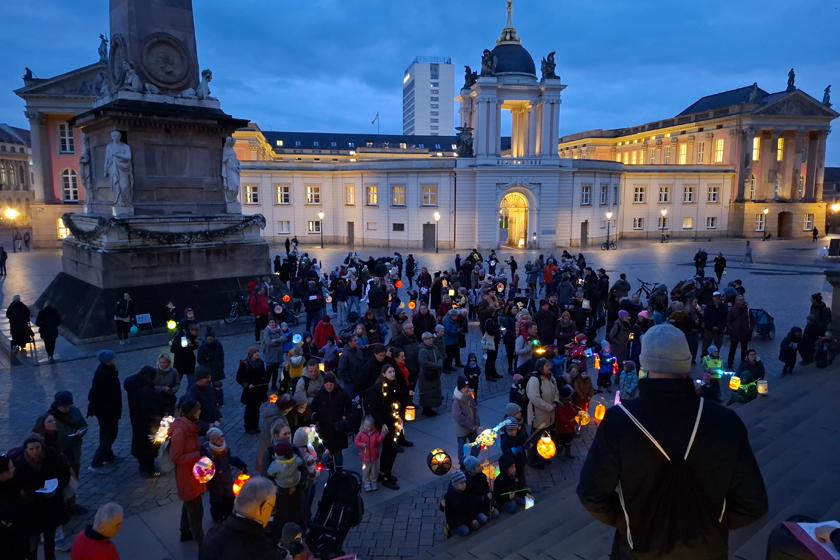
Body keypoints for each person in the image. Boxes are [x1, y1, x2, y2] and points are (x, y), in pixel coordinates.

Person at [577, 323, 768, 558]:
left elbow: (590, 493)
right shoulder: (726, 421)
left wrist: (627, 520)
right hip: (706, 550)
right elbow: (753, 504)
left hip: (639, 550)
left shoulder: (619, 422)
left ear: (644, 364)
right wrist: (712, 524)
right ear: (686, 363)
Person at [12, 433, 71, 560]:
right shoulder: (20, 464)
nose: (35, 452)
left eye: (37, 448)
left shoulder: (52, 456)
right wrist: (30, 493)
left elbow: (64, 473)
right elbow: (17, 488)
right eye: (31, 449)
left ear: (42, 447)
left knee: (50, 540)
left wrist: (58, 486)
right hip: (31, 510)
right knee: (32, 543)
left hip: (51, 506)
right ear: (26, 450)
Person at [200, 476, 279, 560]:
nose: (271, 514)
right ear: (264, 508)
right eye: (272, 508)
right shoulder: (261, 550)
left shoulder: (212, 534)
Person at [170, 396, 206, 545]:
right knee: (196, 512)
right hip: (187, 476)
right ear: (192, 412)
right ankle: (202, 546)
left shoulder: (190, 426)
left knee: (189, 504)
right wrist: (198, 454)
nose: (200, 412)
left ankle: (185, 531)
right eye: (198, 410)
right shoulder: (181, 431)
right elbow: (176, 457)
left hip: (192, 474)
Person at [363, 365, 402, 490]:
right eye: (390, 372)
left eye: (393, 371)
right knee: (390, 449)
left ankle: (385, 472)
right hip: (384, 424)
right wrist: (382, 424)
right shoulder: (379, 388)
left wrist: (398, 417)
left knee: (390, 449)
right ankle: (385, 475)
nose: (392, 373)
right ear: (384, 374)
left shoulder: (392, 385)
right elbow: (374, 409)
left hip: (392, 422)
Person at [123, 366, 162, 478]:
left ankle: (143, 467)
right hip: (149, 423)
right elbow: (154, 409)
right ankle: (150, 470)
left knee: (141, 443)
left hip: (137, 420)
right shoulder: (147, 391)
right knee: (149, 447)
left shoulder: (133, 386)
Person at [87, 350, 122, 472]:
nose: (115, 360)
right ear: (108, 361)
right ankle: (96, 462)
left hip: (108, 409)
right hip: (106, 411)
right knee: (109, 435)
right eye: (113, 359)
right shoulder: (103, 374)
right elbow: (97, 394)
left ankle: (108, 456)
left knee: (108, 434)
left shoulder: (108, 370)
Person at [202, 427, 247, 523]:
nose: (222, 439)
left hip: (227, 480)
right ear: (213, 440)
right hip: (216, 484)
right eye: (218, 438)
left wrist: (240, 464)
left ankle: (228, 516)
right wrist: (216, 470)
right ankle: (218, 519)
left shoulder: (225, 449)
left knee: (229, 499)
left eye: (222, 436)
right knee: (217, 502)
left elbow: (229, 459)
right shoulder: (209, 453)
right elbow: (206, 470)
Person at [310, 372, 352, 467]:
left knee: (337, 452)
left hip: (337, 428)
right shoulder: (320, 394)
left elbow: (349, 406)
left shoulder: (341, 393)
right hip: (324, 429)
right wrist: (315, 417)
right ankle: (331, 472)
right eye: (327, 385)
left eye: (331, 385)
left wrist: (345, 416)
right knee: (327, 452)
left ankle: (339, 472)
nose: (329, 387)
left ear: (334, 384)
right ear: (324, 384)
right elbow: (313, 407)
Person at [526, 358, 559, 467]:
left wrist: (555, 402)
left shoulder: (551, 377)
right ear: (541, 368)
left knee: (546, 438)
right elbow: (534, 398)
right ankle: (533, 460)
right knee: (536, 440)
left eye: (550, 365)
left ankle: (544, 456)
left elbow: (556, 391)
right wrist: (549, 407)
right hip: (538, 417)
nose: (550, 367)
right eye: (547, 366)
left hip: (549, 416)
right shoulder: (534, 380)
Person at [0, 455, 30, 559]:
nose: (14, 469)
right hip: (7, 537)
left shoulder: (12, 482)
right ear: (3, 473)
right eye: (11, 467)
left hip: (18, 533)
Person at [441, 470, 485, 537]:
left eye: (465, 482)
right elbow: (444, 509)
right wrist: (442, 505)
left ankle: (470, 524)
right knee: (465, 531)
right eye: (461, 483)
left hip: (468, 516)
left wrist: (473, 518)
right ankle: (454, 529)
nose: (465, 484)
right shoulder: (449, 496)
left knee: (482, 519)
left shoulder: (466, 491)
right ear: (455, 485)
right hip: (457, 521)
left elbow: (471, 505)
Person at [237, 347, 269, 434]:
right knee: (250, 410)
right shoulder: (245, 364)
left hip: (259, 391)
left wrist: (265, 385)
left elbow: (264, 375)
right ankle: (248, 427)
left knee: (256, 410)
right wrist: (247, 385)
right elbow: (239, 378)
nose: (257, 354)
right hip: (250, 392)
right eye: (255, 353)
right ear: (251, 354)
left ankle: (255, 426)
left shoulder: (260, 362)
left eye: (258, 352)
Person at [452, 376, 480, 470]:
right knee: (462, 446)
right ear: (460, 388)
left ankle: (472, 460)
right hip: (462, 428)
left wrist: (476, 421)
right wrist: (471, 426)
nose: (466, 389)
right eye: (464, 387)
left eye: (467, 386)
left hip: (472, 426)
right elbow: (459, 417)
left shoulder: (469, 395)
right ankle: (462, 464)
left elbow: (474, 408)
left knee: (477, 443)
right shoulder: (456, 400)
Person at [354, 415, 387, 492]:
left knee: (374, 471)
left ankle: (374, 482)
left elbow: (378, 441)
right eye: (365, 426)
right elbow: (356, 442)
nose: (367, 428)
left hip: (374, 457)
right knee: (365, 471)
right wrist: (362, 444)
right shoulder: (361, 433)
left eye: (369, 426)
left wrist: (383, 434)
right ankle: (366, 483)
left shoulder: (375, 433)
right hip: (365, 458)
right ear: (363, 424)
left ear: (373, 426)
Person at [197, 327, 226, 406]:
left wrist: (221, 365)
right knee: (208, 386)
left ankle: (220, 401)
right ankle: (212, 400)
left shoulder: (218, 345)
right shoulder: (202, 347)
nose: (210, 341)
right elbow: (199, 359)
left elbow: (221, 355)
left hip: (217, 368)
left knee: (217, 385)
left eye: (211, 339)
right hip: (207, 369)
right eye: (208, 339)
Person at [418, 331, 444, 417]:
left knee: (434, 391)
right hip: (426, 376)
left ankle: (431, 408)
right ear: (424, 340)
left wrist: (440, 363)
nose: (431, 340)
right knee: (427, 392)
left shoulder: (434, 347)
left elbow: (440, 356)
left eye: (431, 338)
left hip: (434, 374)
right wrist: (437, 366)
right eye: (429, 338)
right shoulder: (422, 350)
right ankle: (426, 410)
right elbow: (424, 363)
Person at [726, 295, 753, 369]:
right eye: (739, 300)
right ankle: (730, 363)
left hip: (744, 333)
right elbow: (729, 321)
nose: (741, 301)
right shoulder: (732, 310)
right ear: (736, 301)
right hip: (735, 333)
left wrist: (750, 331)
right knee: (732, 349)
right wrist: (731, 329)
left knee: (744, 350)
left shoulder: (747, 310)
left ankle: (743, 363)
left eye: (742, 300)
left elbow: (752, 321)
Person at [171, 322, 200, 387]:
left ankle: (188, 395)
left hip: (183, 363)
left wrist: (195, 343)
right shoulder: (183, 337)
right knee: (190, 383)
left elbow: (172, 350)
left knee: (177, 383)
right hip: (185, 363)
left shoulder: (189, 336)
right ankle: (189, 395)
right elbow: (193, 347)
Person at [702, 291, 728, 356]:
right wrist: (711, 326)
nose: (717, 299)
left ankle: (716, 357)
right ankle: (704, 357)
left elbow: (725, 319)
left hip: (719, 330)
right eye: (715, 297)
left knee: (718, 345)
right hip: (709, 329)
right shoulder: (709, 306)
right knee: (706, 344)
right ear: (713, 298)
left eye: (718, 297)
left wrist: (719, 327)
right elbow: (706, 318)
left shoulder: (724, 307)